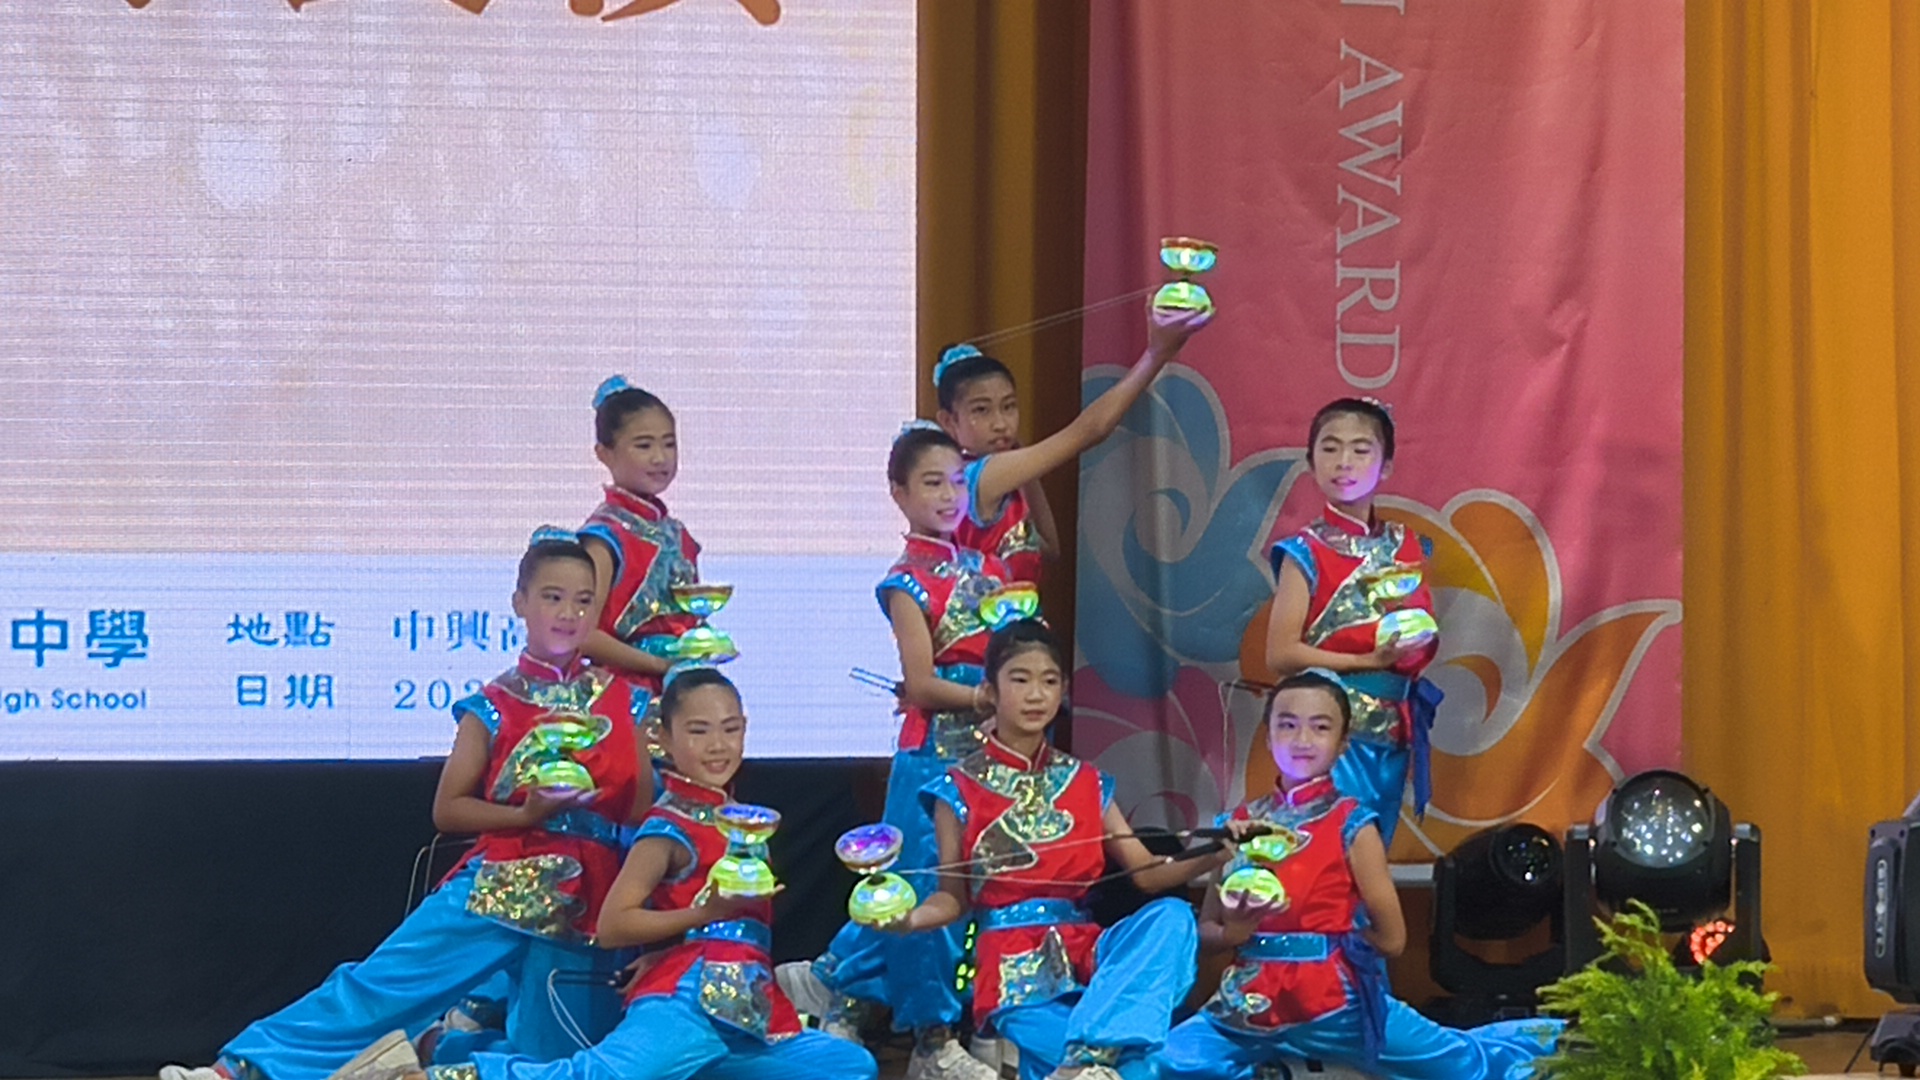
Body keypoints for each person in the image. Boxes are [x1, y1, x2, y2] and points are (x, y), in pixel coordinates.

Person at [160, 531, 652, 1080]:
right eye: (552, 597)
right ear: (520, 602)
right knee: (383, 986)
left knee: (553, 1058)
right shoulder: (495, 703)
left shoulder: (626, 700)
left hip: (593, 898)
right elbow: (449, 809)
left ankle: (436, 1048)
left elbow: (641, 810)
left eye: (583, 601)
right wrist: (525, 816)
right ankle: (239, 1070)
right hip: (507, 878)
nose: (568, 613)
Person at [401, 666, 879, 1080]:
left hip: (746, 1009)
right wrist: (703, 917)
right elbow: (615, 924)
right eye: (698, 731)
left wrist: (678, 944)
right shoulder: (668, 826)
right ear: (664, 739)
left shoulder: (741, 821)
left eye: (730, 729)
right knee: (593, 1075)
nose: (717, 745)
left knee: (849, 1066)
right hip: (688, 1003)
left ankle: (452, 1048)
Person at [1158, 672, 1563, 1080]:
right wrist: (1234, 933)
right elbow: (1206, 933)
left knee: (1463, 1065)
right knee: (1161, 1063)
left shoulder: (1352, 824)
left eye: (1320, 727)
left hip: (1334, 1005)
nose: (1302, 739)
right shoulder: (1235, 826)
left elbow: (1393, 939)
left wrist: (1333, 942)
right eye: (1287, 724)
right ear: (1268, 737)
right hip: (1245, 1007)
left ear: (1343, 744)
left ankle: (1560, 1046)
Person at [892, 619, 1239, 1080]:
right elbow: (951, 899)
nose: (1036, 695)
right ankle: (1089, 1058)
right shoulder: (956, 788)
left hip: (1089, 962)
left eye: (1049, 681)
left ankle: (1084, 1058)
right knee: (1142, 1068)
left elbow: (1146, 873)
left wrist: (1216, 852)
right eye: (1020, 679)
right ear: (990, 690)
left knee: (1172, 917)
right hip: (1014, 976)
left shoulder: (1086, 781)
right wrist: (909, 919)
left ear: (1063, 691)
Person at [938, 303, 1213, 589]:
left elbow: (1050, 547)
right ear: (948, 421)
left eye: (1008, 407)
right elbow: (1092, 430)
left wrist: (1024, 464)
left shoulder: (1004, 470)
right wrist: (1156, 355)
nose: (1000, 423)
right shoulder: (982, 475)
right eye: (981, 410)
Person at [1265, 398, 1440, 845]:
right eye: (1330, 448)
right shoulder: (1304, 551)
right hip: (1330, 733)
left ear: (1386, 466)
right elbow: (1281, 654)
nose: (1344, 461)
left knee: (1375, 848)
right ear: (1311, 462)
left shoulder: (1408, 544)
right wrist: (1368, 661)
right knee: (1331, 847)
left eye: (1361, 450)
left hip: (1394, 728)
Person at [577, 377, 705, 750]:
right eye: (644, 445)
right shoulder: (604, 536)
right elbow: (584, 634)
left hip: (680, 694)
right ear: (604, 453)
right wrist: (661, 665)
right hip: (624, 699)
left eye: (669, 444)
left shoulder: (676, 534)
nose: (660, 458)